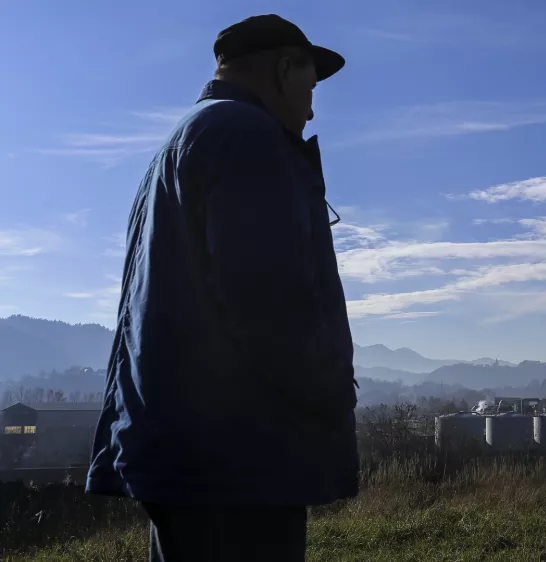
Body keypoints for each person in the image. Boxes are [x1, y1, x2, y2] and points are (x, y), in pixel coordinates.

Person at [86, 14, 359, 562]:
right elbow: (269, 304)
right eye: (309, 87)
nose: (311, 109)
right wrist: (329, 392)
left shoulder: (186, 139)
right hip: (240, 457)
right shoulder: (248, 139)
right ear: (283, 70)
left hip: (185, 454)